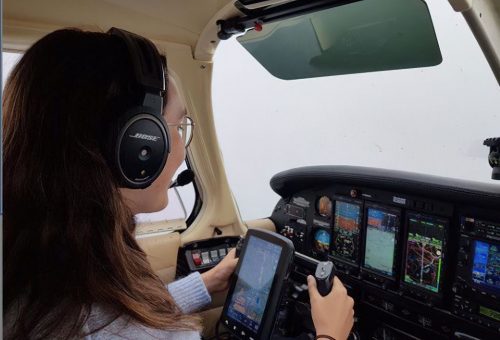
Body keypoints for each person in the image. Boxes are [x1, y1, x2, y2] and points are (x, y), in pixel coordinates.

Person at [3, 28, 354, 339]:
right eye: (177, 126)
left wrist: (206, 283)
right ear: (138, 146)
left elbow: (121, 314)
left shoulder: (38, 267)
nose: (181, 149)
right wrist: (329, 334)